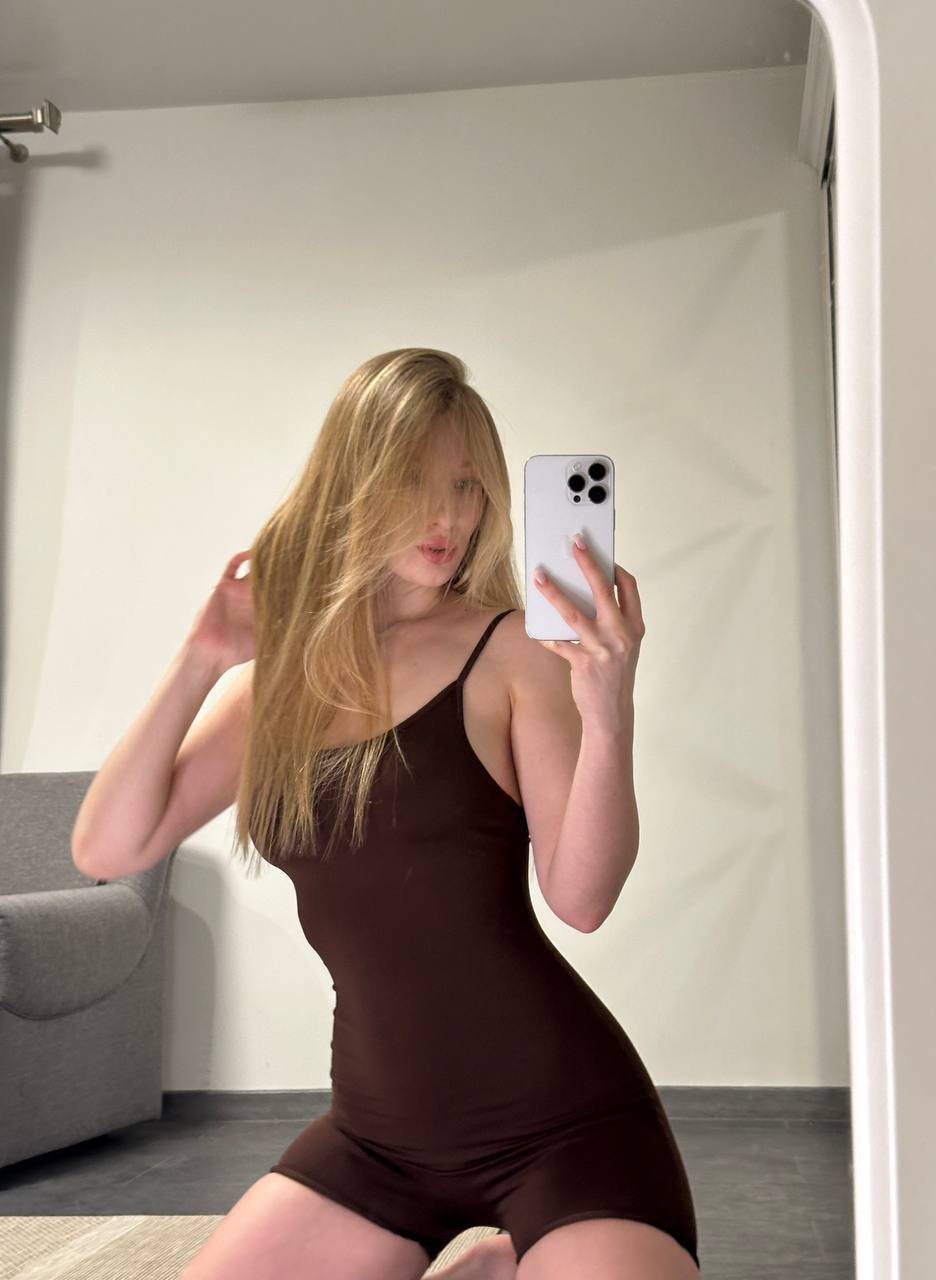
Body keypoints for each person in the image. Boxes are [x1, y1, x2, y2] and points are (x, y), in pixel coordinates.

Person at [72, 348, 699, 1280]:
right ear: (354, 481)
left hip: (566, 1133)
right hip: (378, 1142)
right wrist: (203, 657)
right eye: (415, 482)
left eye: (467, 485)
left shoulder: (514, 649)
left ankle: (517, 1255)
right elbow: (107, 848)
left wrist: (609, 708)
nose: (448, 517)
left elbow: (583, 899)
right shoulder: (281, 684)